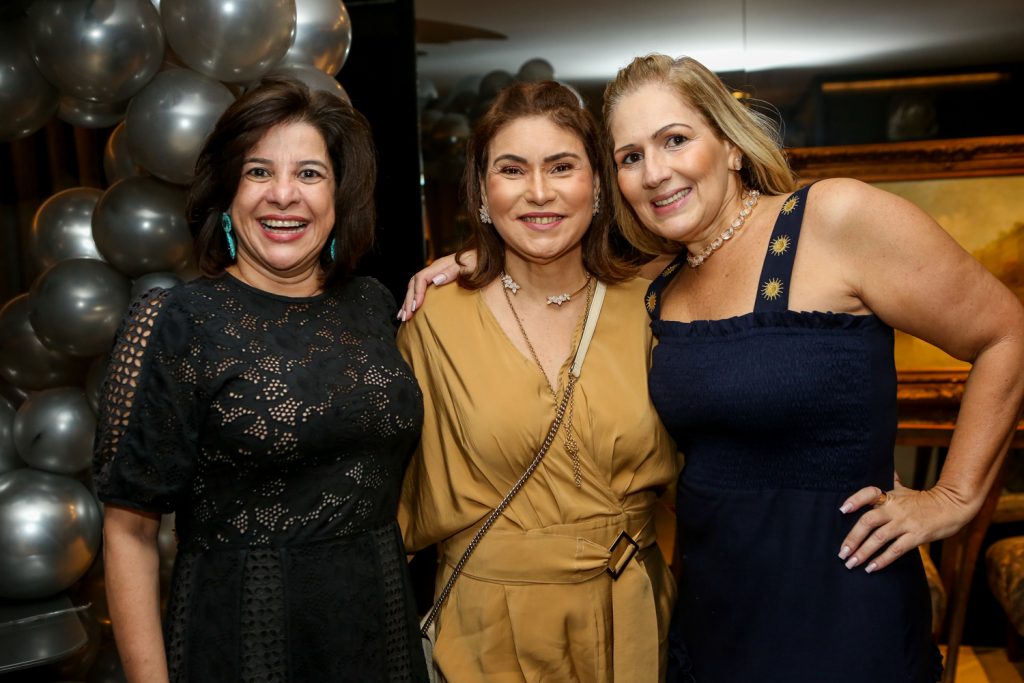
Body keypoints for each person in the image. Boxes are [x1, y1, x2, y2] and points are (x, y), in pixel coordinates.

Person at [404, 55, 1024, 682]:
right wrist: (469, 260)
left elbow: (1007, 331)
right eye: (630, 156)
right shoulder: (659, 284)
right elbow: (545, 256)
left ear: (730, 144)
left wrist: (954, 496)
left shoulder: (834, 219)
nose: (656, 172)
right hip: (709, 613)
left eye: (675, 140)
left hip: (839, 599)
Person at [94, 76, 427, 682]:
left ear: (339, 195)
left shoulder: (373, 305)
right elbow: (130, 534)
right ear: (227, 191)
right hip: (246, 640)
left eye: (309, 174)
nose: (283, 196)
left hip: (381, 635)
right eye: (257, 172)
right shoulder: (176, 323)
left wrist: (468, 262)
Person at [396, 81, 679, 682]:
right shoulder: (433, 319)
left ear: (598, 185)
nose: (539, 192)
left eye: (561, 166)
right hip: (490, 626)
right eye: (512, 170)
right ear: (480, 191)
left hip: (632, 616)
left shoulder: (655, 307)